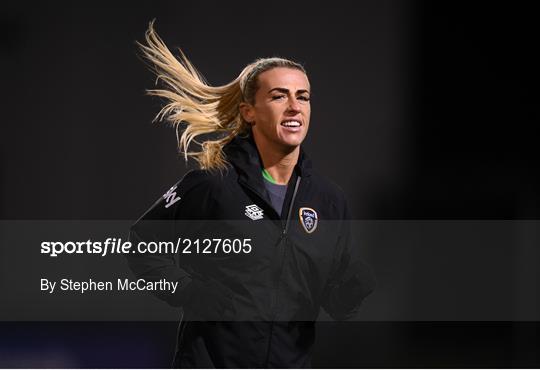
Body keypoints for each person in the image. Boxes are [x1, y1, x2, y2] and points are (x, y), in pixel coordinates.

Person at [128, 21, 375, 368]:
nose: (294, 106)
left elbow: (331, 302)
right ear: (249, 112)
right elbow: (140, 243)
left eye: (302, 97)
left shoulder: (329, 201)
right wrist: (188, 291)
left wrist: (350, 294)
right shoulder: (214, 184)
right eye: (279, 96)